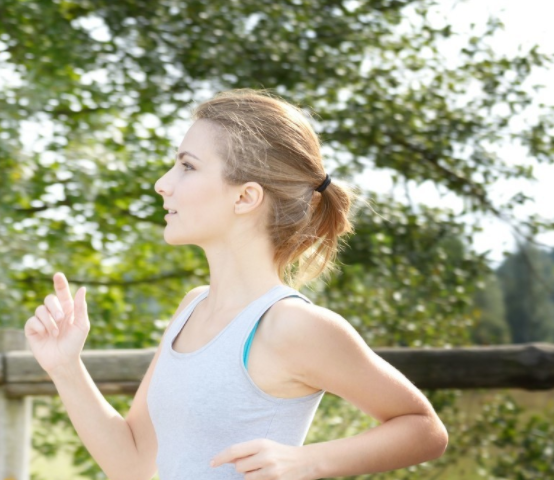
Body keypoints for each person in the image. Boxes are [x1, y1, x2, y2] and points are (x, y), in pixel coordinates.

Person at [25, 89, 449, 480]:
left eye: (187, 166)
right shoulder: (192, 308)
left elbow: (424, 429)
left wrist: (307, 461)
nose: (163, 183)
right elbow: (132, 463)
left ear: (245, 197)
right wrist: (65, 367)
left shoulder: (291, 325)